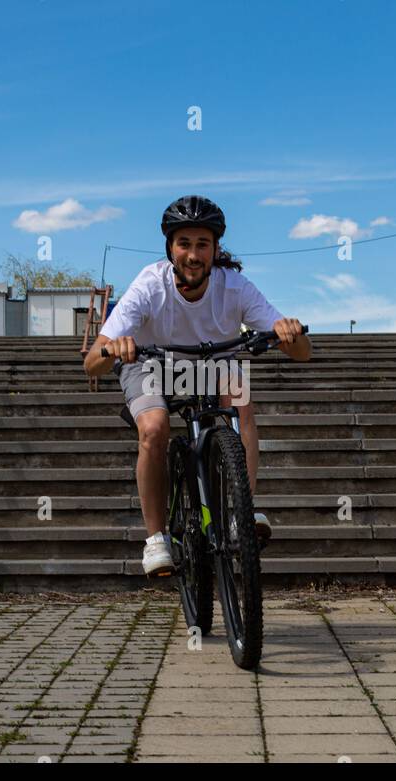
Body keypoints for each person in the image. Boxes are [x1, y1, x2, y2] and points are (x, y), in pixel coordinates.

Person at [83, 195, 310, 577]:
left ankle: (241, 512)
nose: (193, 254)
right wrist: (114, 349)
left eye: (202, 244)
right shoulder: (149, 286)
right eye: (184, 244)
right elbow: (91, 363)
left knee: (241, 401)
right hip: (151, 364)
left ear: (215, 249)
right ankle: (156, 538)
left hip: (211, 364)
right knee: (154, 428)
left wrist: (290, 333)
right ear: (170, 249)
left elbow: (302, 353)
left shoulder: (234, 287)